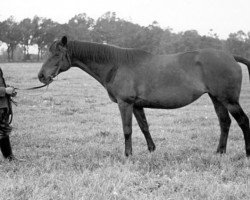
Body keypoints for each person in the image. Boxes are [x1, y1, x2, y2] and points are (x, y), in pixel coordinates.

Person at [0, 68, 17, 161]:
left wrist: (9, 90)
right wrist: (5, 90)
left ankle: (9, 157)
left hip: (2, 106)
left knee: (3, 131)